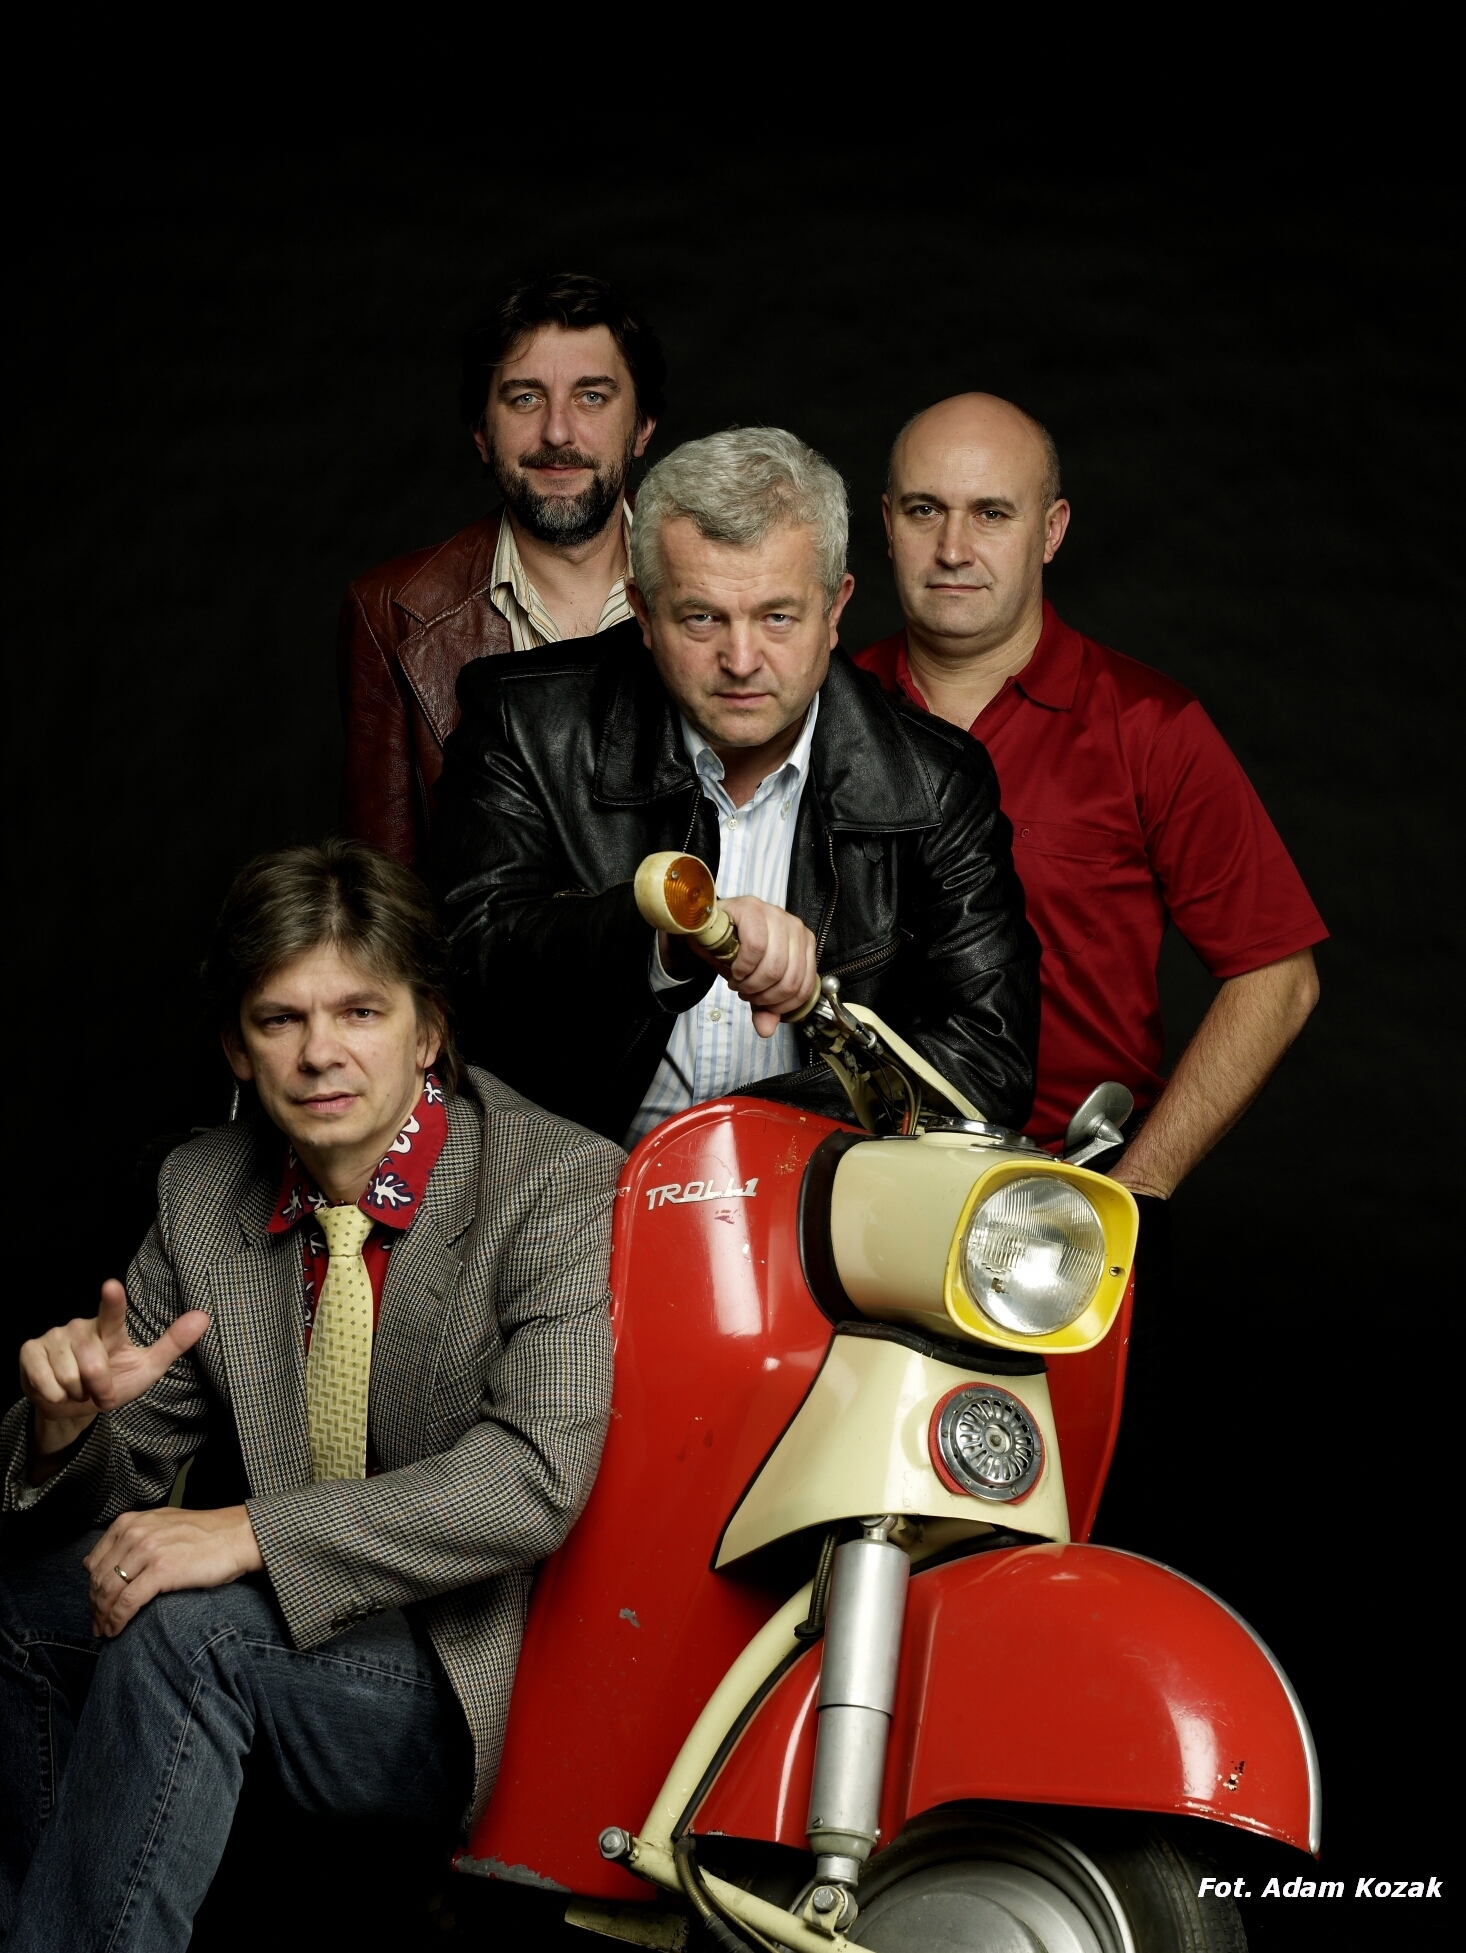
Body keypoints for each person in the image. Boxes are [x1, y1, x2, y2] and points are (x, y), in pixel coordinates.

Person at [0, 841, 620, 1950]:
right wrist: (65, 1430)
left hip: (475, 1674)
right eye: (280, 1019)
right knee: (23, 1600)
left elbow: (532, 1479)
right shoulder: (202, 1192)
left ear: (426, 1032)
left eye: (358, 1013)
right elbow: (117, 1478)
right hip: (284, 1633)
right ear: (237, 1048)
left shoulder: (557, 1182)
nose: (319, 1053)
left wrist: (245, 1530)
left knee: (189, 1630)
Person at [432, 426, 1039, 1149]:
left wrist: (730, 1138)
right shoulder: (522, 722)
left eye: (777, 617)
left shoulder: (938, 781)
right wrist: (664, 941)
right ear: (643, 612)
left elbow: (989, 1060)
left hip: (816, 1179)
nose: (742, 659)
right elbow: (468, 977)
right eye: (702, 618)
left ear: (834, 611)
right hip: (568, 1188)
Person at [855, 393, 1325, 1197]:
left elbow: (1279, 979)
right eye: (925, 510)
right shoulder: (825, 712)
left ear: (1051, 531)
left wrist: (1134, 1191)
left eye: (992, 513)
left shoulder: (1151, 728)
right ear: (888, 524)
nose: (953, 548)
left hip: (1061, 1194)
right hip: (847, 1179)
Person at [339, 272, 666, 868]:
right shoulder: (391, 614)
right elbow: (383, 891)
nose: (557, 432)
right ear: (482, 434)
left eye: (592, 396)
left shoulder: (722, 585)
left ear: (642, 425)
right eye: (525, 398)